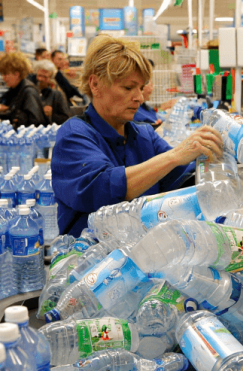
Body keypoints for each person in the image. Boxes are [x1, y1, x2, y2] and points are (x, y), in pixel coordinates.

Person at [52, 36, 223, 237]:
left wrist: (215, 158)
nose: (139, 98)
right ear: (95, 84)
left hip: (144, 256)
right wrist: (175, 155)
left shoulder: (143, 135)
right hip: (92, 261)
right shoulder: (74, 136)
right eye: (128, 87)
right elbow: (104, 188)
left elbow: (182, 176)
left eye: (141, 88)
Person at [0, 52, 45, 129]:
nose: (3, 78)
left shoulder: (29, 92)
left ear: (16, 74)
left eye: (5, 74)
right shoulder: (14, 89)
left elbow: (36, 122)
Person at [35, 58, 71, 125]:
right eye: (39, 75)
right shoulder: (31, 91)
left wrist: (52, 115)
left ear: (50, 78)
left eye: (45, 77)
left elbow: (65, 118)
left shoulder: (57, 95)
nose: (41, 79)